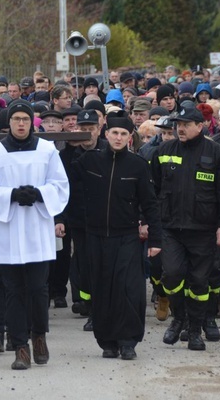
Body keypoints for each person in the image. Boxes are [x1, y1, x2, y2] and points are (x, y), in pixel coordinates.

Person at [0, 99, 69, 370]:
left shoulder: (47, 150)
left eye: (25, 119)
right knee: (13, 290)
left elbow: (61, 185)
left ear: (32, 122)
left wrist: (39, 194)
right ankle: (20, 346)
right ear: (9, 123)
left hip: (38, 229)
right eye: (16, 119)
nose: (20, 124)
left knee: (39, 289)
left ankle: (38, 335)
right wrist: (12, 195)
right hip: (8, 229)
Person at [73, 111, 162, 359]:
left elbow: (150, 204)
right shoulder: (90, 162)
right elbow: (64, 177)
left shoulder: (138, 166)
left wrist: (156, 239)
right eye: (115, 133)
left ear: (130, 138)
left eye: (124, 134)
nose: (119, 138)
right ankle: (108, 341)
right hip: (96, 236)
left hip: (127, 237)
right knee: (102, 289)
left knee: (129, 289)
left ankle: (128, 341)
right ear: (106, 134)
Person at [151, 105, 220, 351]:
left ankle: (195, 330)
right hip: (171, 228)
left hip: (204, 229)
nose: (180, 128)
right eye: (178, 124)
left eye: (186, 124)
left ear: (200, 126)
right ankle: (179, 318)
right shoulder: (164, 150)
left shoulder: (217, 152)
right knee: (172, 275)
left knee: (200, 282)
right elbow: (154, 190)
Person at [57, 110, 107, 330]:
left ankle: (100, 310)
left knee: (103, 265)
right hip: (79, 219)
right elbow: (61, 189)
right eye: (83, 129)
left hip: (106, 220)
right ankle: (88, 304)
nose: (87, 133)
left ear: (99, 129)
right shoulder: (67, 155)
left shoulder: (109, 150)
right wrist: (60, 218)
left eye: (91, 129)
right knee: (85, 263)